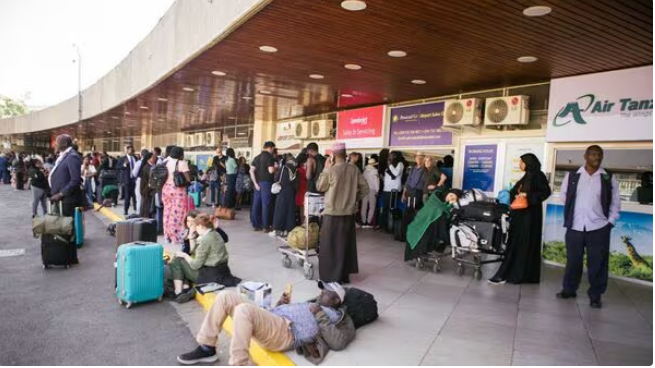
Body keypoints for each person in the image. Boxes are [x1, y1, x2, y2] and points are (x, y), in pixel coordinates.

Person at [177, 281, 352, 366]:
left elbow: (338, 342)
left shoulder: (335, 315)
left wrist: (320, 314)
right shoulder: (316, 303)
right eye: (322, 289)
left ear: (337, 301)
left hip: (286, 334)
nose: (321, 293)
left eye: (327, 292)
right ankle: (207, 348)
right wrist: (281, 304)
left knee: (243, 310)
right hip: (274, 320)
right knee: (225, 296)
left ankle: (239, 363)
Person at [557, 145, 620, 308]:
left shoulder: (608, 178)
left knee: (598, 264)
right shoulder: (572, 176)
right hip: (575, 226)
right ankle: (569, 290)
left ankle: (595, 295)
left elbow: (615, 203)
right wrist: (575, 210)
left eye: (599, 154)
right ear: (585, 156)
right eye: (593, 154)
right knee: (573, 261)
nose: (596, 157)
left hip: (599, 228)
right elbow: (563, 196)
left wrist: (610, 222)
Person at [488, 153, 551, 285]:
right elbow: (515, 193)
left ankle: (514, 275)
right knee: (517, 243)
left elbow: (545, 192)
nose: (520, 165)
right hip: (520, 216)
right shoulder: (526, 176)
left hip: (529, 217)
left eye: (522, 162)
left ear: (528, 163)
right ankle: (513, 274)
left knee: (523, 243)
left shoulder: (538, 176)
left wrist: (528, 195)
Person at [317, 142, 369, 283]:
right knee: (345, 245)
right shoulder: (354, 169)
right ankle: (344, 276)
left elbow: (320, 186)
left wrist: (325, 169)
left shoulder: (331, 170)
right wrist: (353, 200)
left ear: (333, 155)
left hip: (332, 214)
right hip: (348, 214)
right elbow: (365, 189)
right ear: (345, 154)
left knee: (330, 246)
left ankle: (330, 277)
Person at [166, 213, 238, 303]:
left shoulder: (205, 240)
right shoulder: (215, 234)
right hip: (223, 272)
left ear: (200, 226)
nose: (195, 229)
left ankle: (178, 292)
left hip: (210, 275)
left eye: (195, 227)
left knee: (177, 260)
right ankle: (185, 288)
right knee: (183, 260)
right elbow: (195, 253)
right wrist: (192, 239)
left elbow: (195, 264)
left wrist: (185, 255)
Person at [49, 134, 84, 263]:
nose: (55, 145)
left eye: (57, 142)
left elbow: (75, 180)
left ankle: (70, 256)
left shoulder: (72, 157)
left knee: (68, 227)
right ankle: (65, 254)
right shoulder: (65, 156)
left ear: (64, 144)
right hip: (61, 199)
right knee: (63, 228)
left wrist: (61, 193)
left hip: (67, 199)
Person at [405, 189, 463, 262]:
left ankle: (428, 248)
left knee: (437, 221)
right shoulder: (435, 198)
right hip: (423, 218)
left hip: (433, 223)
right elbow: (435, 209)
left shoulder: (447, 205)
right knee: (437, 218)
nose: (451, 198)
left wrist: (450, 205)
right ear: (448, 193)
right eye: (451, 195)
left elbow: (445, 212)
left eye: (453, 198)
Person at [163, 146, 192, 246]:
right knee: (178, 214)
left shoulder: (165, 161)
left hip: (166, 189)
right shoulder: (181, 163)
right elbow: (188, 178)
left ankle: (167, 236)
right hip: (177, 190)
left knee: (167, 212)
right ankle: (176, 237)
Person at [250, 141, 277, 232]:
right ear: (270, 148)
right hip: (267, 183)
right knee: (266, 204)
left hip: (257, 183)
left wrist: (255, 183)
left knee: (256, 204)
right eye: (273, 149)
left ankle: (256, 225)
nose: (273, 151)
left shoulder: (257, 157)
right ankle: (266, 226)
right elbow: (271, 171)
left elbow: (251, 171)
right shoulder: (270, 157)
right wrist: (276, 168)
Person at [272, 156, 297, 237]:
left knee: (280, 209)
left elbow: (277, 178)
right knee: (290, 211)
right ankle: (288, 230)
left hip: (282, 190)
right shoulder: (295, 169)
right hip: (291, 192)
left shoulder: (283, 168)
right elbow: (297, 184)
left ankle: (278, 229)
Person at [379, 151, 404, 232]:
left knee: (391, 208)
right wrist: (382, 178)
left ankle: (390, 226)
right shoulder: (389, 166)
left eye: (391, 155)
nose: (389, 157)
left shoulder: (400, 164)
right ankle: (384, 226)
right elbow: (389, 177)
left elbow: (395, 174)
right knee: (385, 208)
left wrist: (390, 165)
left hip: (393, 190)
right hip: (386, 189)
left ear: (395, 156)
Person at [118, 145, 138, 216]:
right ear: (127, 150)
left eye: (133, 150)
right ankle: (125, 210)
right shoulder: (122, 158)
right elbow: (118, 167)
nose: (132, 151)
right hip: (127, 180)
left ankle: (136, 209)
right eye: (130, 150)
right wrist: (124, 165)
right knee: (127, 196)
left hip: (134, 180)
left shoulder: (135, 158)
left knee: (135, 195)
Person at [361, 155, 379, 229]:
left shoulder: (364, 171)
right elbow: (376, 182)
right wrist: (377, 190)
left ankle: (363, 221)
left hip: (365, 190)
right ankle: (368, 222)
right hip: (372, 190)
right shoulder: (375, 171)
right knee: (372, 206)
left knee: (364, 206)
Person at [138, 152, 158, 218]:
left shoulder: (153, 166)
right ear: (148, 159)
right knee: (146, 208)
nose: (155, 158)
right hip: (147, 191)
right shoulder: (147, 168)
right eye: (153, 157)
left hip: (149, 190)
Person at [132, 148, 150, 213]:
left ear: (141, 155)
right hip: (149, 182)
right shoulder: (151, 163)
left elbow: (134, 173)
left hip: (140, 181)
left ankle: (139, 213)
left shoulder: (139, 162)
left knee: (139, 199)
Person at [295, 151, 308, 225]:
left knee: (301, 209)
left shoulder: (297, 169)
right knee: (304, 210)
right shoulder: (302, 170)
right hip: (304, 190)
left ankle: (302, 224)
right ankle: (303, 225)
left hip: (299, 190)